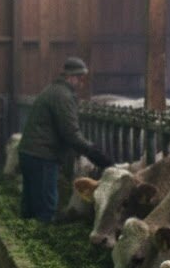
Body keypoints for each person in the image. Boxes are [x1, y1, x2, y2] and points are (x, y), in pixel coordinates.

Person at [17, 57, 113, 223]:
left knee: (31, 203)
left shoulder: (52, 90)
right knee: (46, 206)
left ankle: (24, 235)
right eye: (81, 79)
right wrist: (93, 152)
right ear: (72, 77)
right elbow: (70, 132)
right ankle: (42, 237)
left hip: (30, 152)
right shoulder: (63, 96)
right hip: (43, 155)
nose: (82, 84)